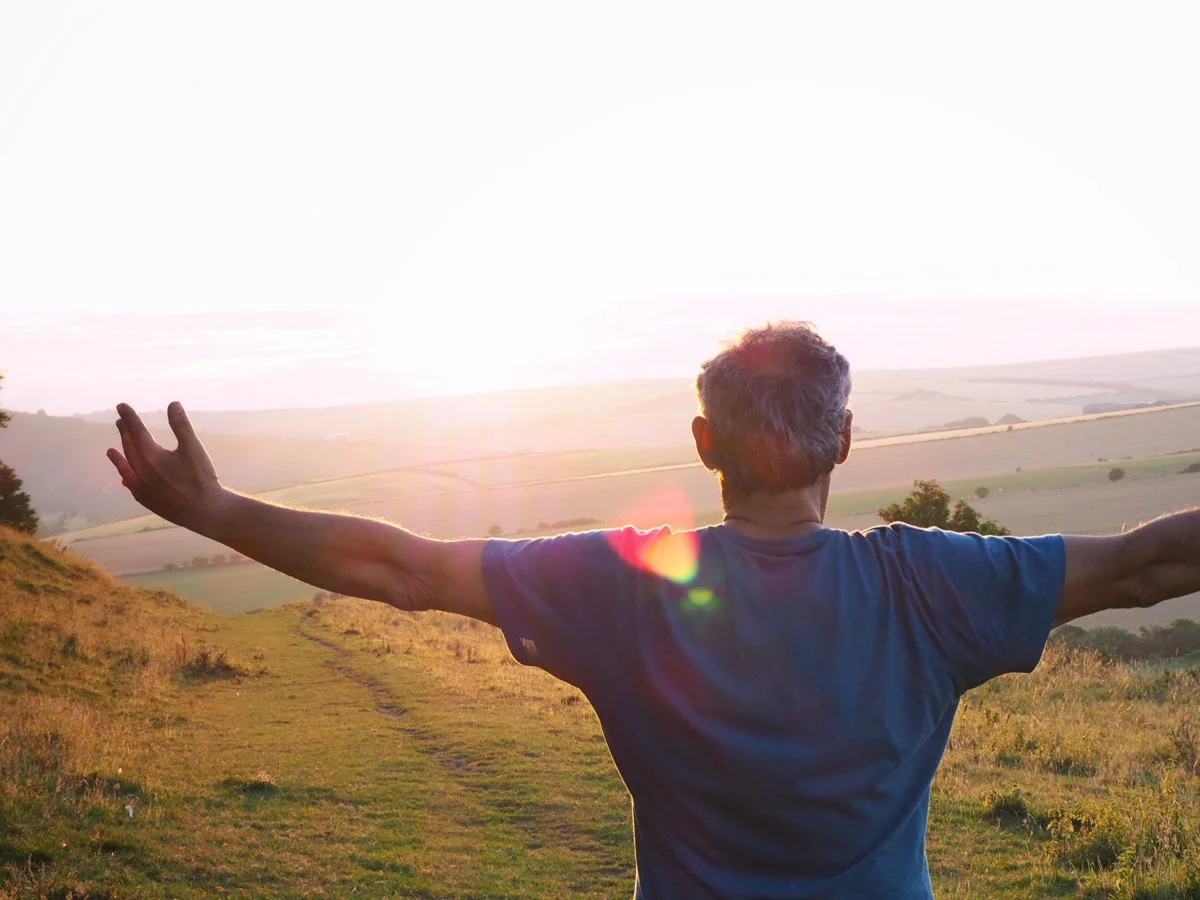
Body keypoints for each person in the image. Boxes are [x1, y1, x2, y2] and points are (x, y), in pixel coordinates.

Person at [107, 321, 1200, 899]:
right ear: (848, 444)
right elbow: (1150, 567)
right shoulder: (934, 583)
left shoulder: (622, 582)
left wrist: (217, 512)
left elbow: (400, 568)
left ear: (703, 446)